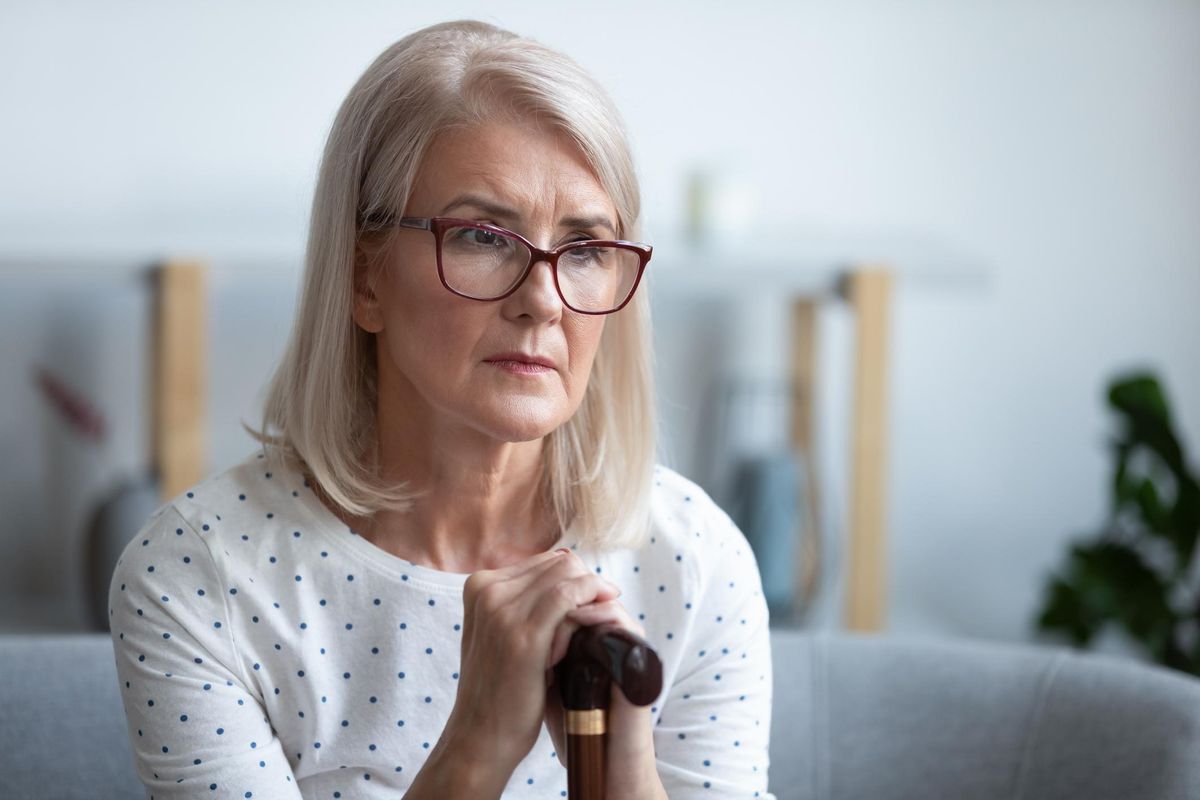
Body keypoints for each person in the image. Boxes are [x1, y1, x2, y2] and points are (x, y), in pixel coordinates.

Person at [109, 19, 774, 799]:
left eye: (586, 249)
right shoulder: (198, 577)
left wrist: (618, 768)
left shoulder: (696, 562)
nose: (542, 300)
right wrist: (478, 745)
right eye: (484, 237)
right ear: (365, 278)